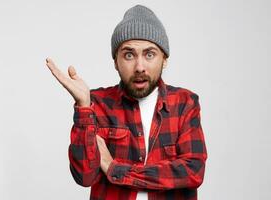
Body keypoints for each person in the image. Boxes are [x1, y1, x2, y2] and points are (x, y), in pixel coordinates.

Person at [46, 4, 207, 200]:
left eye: (149, 54)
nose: (139, 66)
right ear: (115, 61)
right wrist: (83, 107)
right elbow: (84, 176)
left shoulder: (184, 103)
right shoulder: (97, 104)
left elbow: (193, 172)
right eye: (129, 55)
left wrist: (115, 169)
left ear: (164, 59)